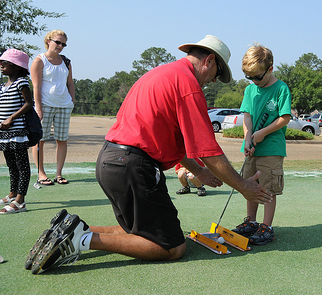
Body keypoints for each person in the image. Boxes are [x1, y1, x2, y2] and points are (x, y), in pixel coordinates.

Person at [26, 35, 273, 274]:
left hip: (110, 161)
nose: (214, 80)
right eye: (217, 73)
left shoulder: (161, 74)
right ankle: (82, 239)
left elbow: (168, 140)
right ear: (208, 60)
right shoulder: (188, 86)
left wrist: (197, 171)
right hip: (133, 166)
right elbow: (209, 151)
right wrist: (243, 186)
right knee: (172, 247)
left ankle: (72, 228)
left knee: (138, 231)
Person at [232, 44, 291, 245]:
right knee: (251, 185)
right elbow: (247, 117)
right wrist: (248, 137)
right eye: (250, 77)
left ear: (270, 69)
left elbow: (284, 118)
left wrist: (263, 133)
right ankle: (251, 222)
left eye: (258, 76)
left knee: (267, 188)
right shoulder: (250, 90)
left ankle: (266, 226)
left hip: (271, 148)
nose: (254, 81)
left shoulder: (280, 88)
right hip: (251, 147)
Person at [31, 30, 75, 186]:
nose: (60, 46)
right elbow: (36, 87)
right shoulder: (39, 60)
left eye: (63, 44)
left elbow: (70, 84)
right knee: (40, 141)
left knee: (62, 140)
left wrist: (72, 101)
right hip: (45, 105)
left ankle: (58, 174)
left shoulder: (66, 62)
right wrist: (38, 108)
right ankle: (41, 173)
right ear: (48, 41)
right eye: (58, 42)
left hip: (64, 106)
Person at [0, 49, 33, 214]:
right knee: (11, 165)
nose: (1, 65)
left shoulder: (22, 82)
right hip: (4, 134)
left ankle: (21, 201)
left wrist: (11, 118)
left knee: (22, 166)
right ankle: (13, 194)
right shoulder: (2, 86)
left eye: (5, 63)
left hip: (17, 132)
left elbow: (29, 103)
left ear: (17, 66)